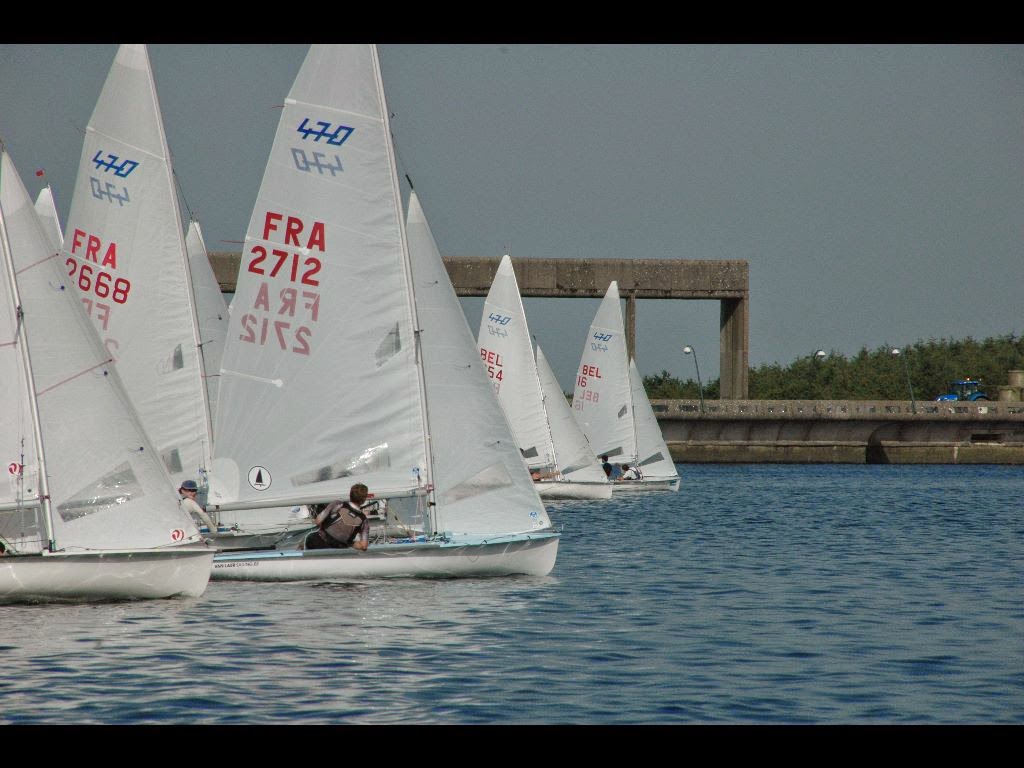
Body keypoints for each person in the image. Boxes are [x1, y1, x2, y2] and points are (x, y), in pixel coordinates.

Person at [302, 483, 371, 551]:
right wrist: (350, 543)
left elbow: (318, 521)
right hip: (338, 549)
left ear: (350, 495)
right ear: (364, 500)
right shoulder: (364, 520)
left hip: (318, 542)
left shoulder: (337, 504)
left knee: (309, 538)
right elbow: (363, 546)